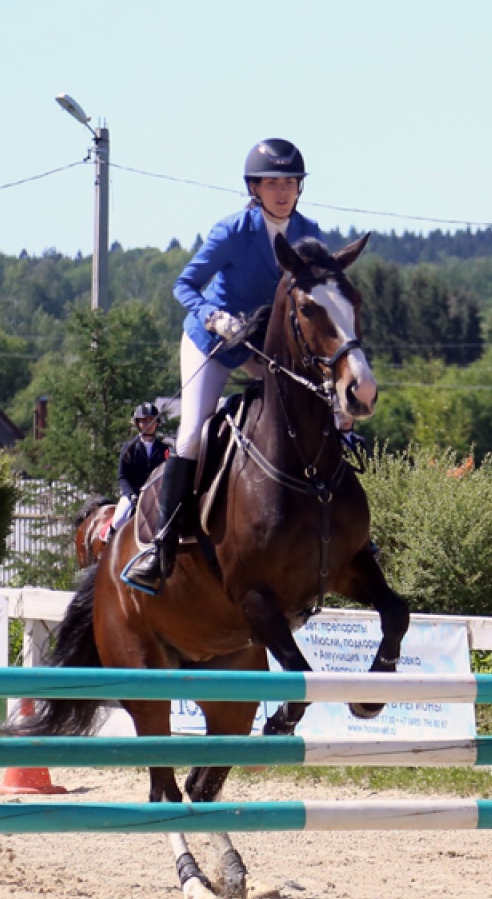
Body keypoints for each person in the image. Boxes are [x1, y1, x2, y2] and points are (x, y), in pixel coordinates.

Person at [122, 138, 326, 594]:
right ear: (254, 188)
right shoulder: (233, 230)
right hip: (213, 340)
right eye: (271, 183)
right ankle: (162, 544)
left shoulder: (310, 234)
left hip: (261, 347)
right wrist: (213, 319)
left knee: (310, 411)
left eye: (289, 183)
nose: (281, 191)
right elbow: (184, 284)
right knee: (193, 430)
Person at [114, 402, 170, 530]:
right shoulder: (129, 448)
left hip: (156, 496)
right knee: (118, 521)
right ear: (137, 423)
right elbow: (122, 476)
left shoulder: (164, 449)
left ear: (157, 423)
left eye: (151, 420)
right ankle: (110, 543)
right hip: (133, 495)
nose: (148, 424)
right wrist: (131, 495)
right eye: (144, 421)